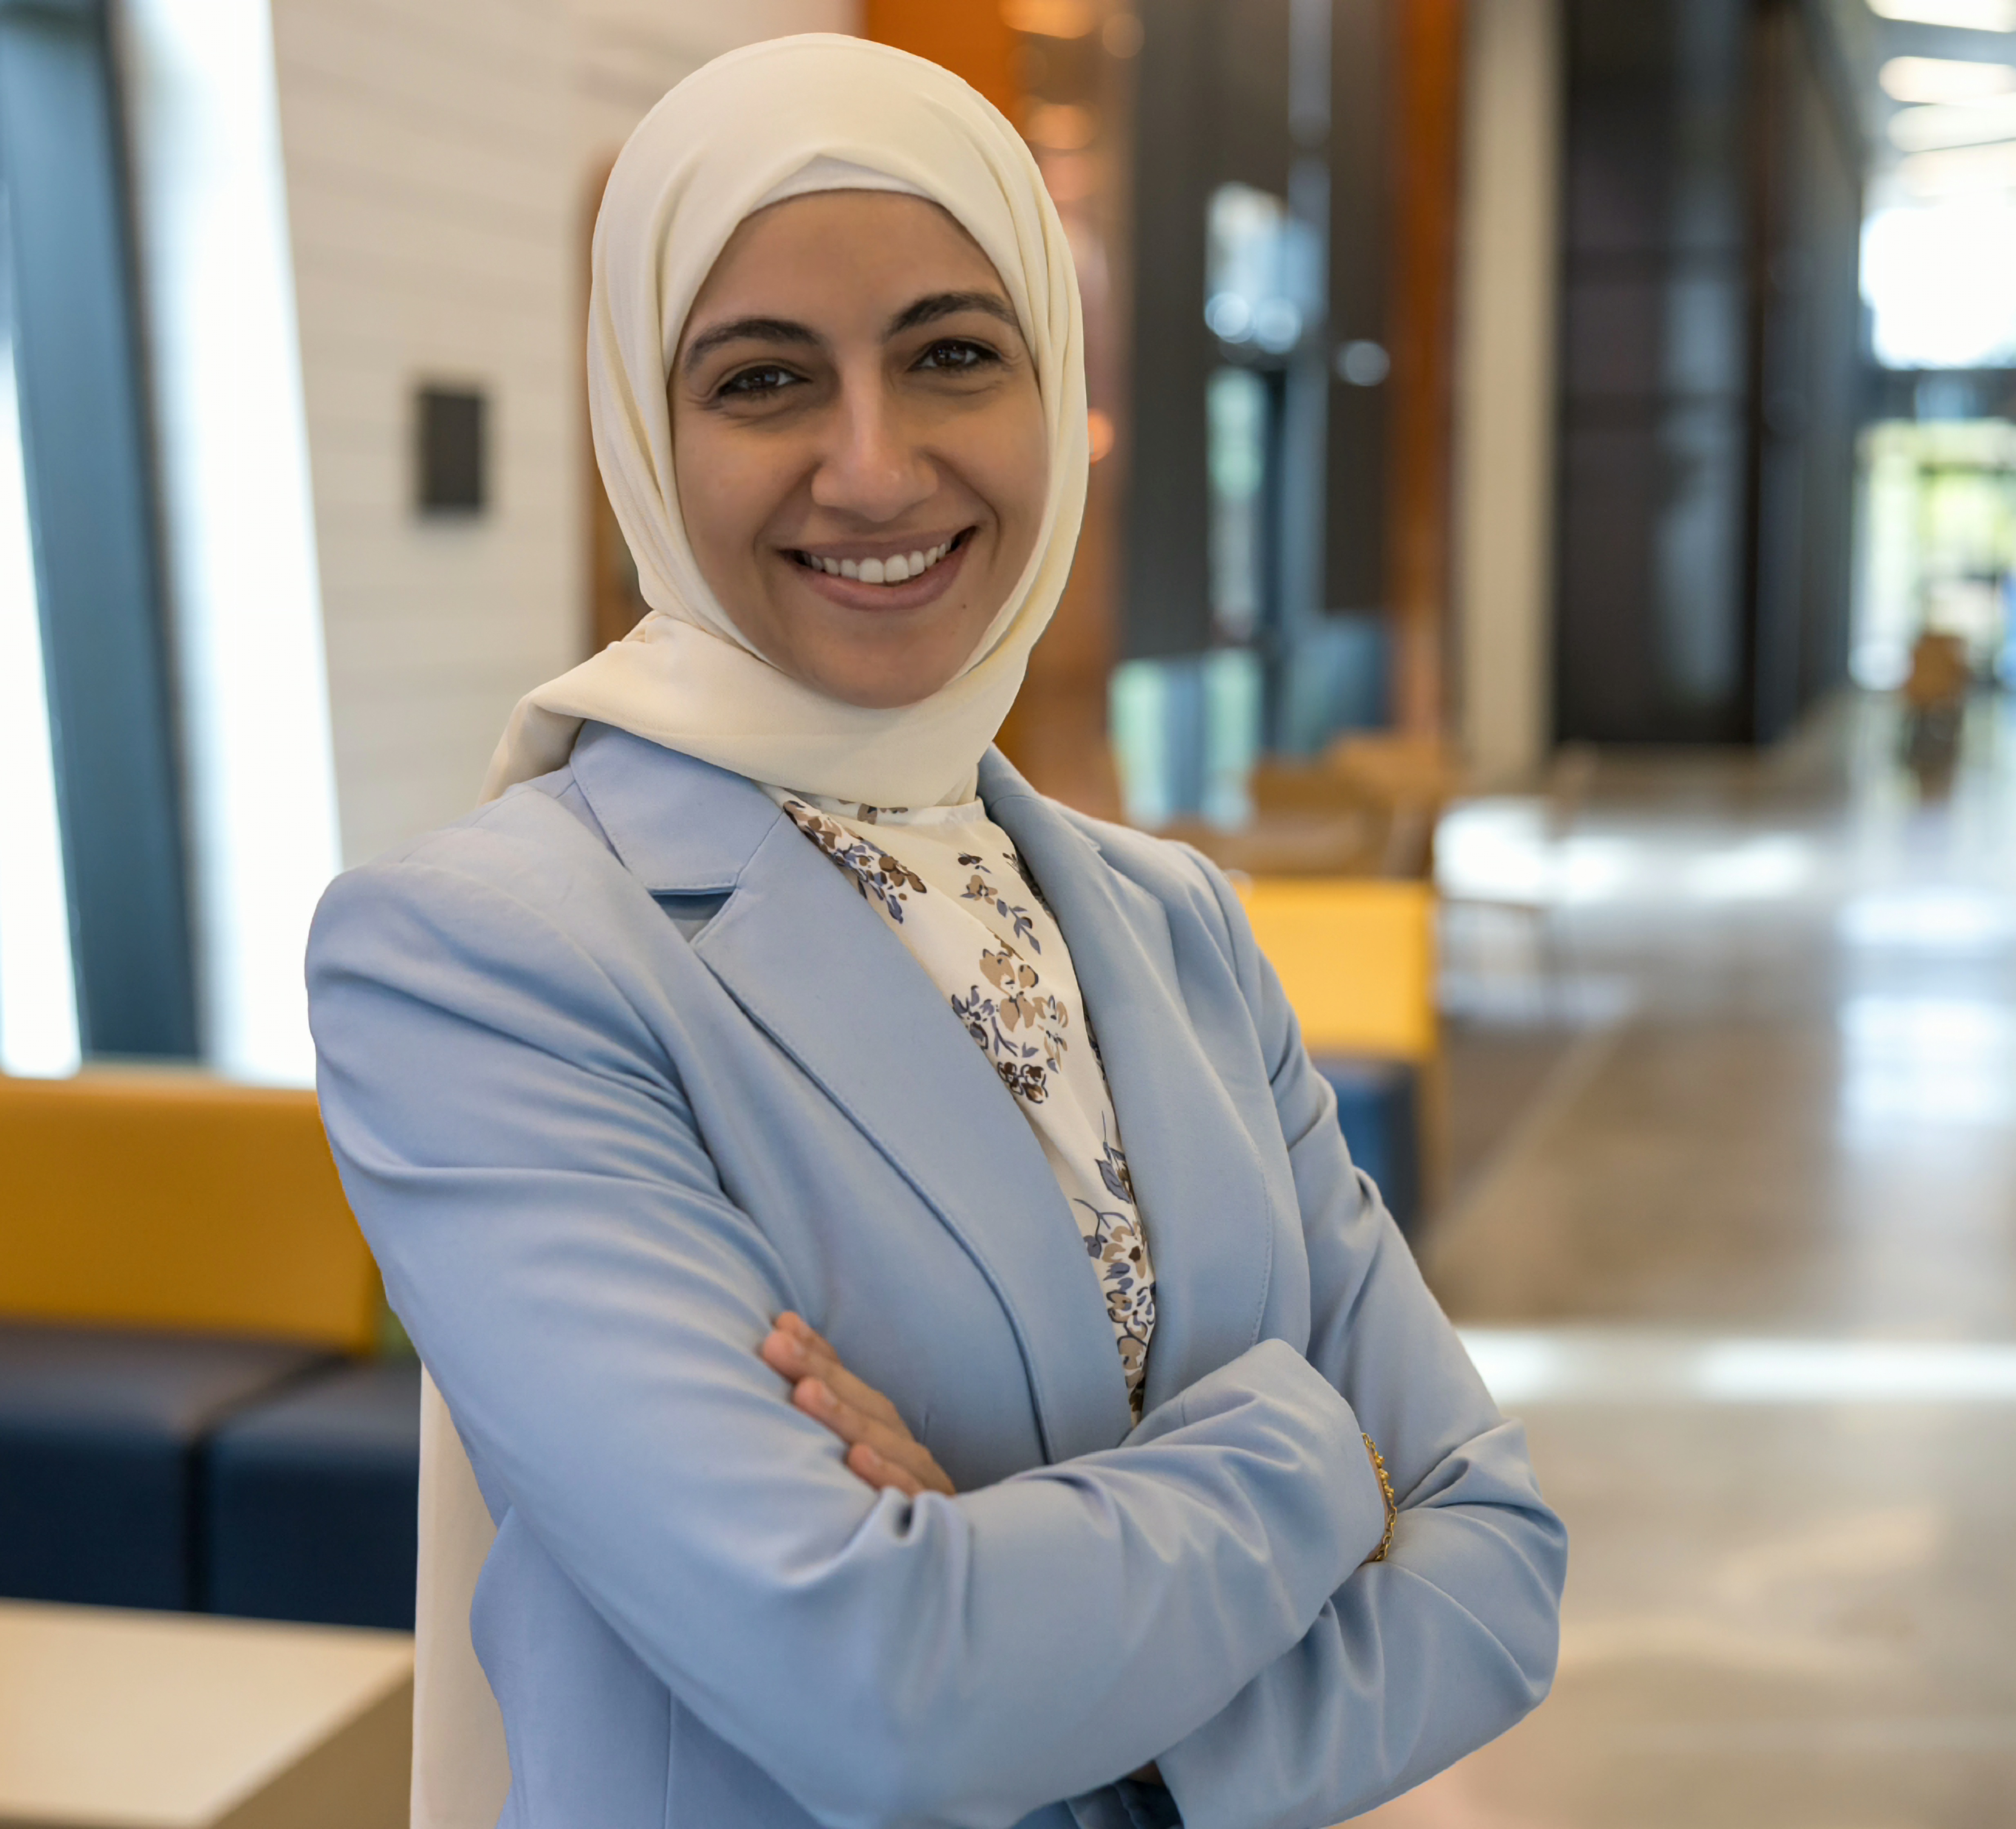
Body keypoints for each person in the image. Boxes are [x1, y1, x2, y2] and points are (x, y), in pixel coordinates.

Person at [307, 35, 1564, 1829]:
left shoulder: (1174, 926)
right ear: (644, 435)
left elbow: (1497, 1564)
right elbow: (881, 1693)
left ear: (1056, 383)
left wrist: (1011, 1610)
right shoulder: (489, 957)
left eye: (952, 355)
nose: (874, 467)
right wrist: (1317, 1456)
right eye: (763, 381)